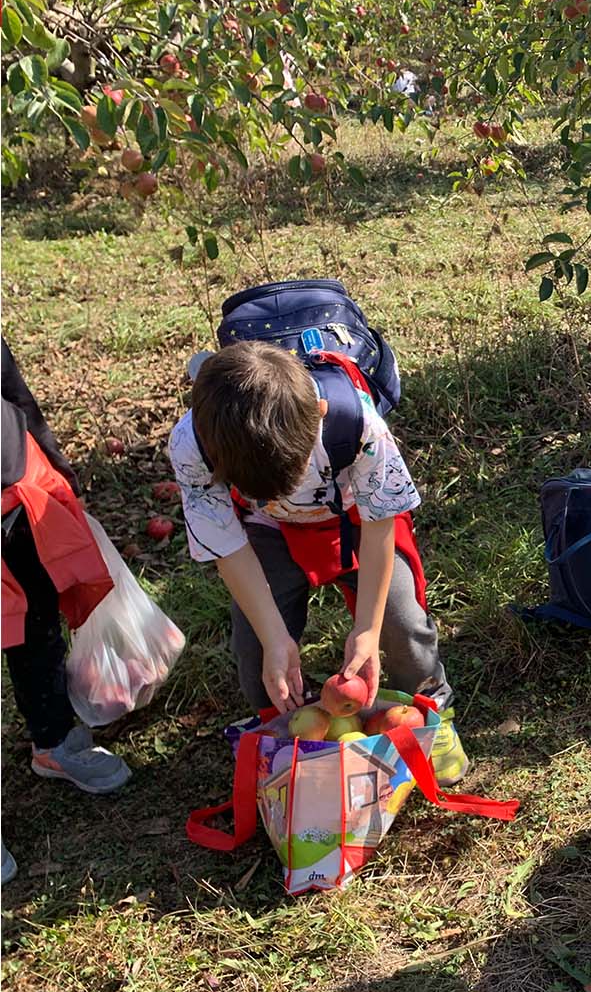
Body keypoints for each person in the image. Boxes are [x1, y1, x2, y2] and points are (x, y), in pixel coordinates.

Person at [166, 341, 470, 783]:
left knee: (403, 626)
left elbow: (380, 524)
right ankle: (293, 740)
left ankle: (430, 712)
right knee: (257, 657)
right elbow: (229, 547)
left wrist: (367, 630)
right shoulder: (191, 444)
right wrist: (275, 639)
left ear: (320, 413)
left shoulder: (356, 420)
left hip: (354, 514)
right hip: (268, 527)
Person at [2, 339, 133, 883]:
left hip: (14, 490)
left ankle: (53, 739)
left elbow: (10, 385)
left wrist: (53, 460)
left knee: (37, 621)